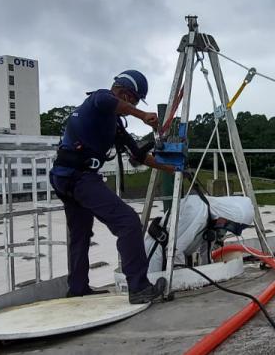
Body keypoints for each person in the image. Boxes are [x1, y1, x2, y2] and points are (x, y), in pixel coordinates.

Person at [50, 69, 179, 303]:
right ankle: (139, 288)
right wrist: (142, 115)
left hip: (64, 176)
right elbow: (107, 99)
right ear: (125, 94)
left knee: (80, 233)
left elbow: (138, 156)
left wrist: (172, 168)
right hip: (78, 176)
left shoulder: (115, 125)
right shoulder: (98, 99)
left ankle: (77, 289)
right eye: (136, 100)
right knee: (128, 221)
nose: (135, 104)